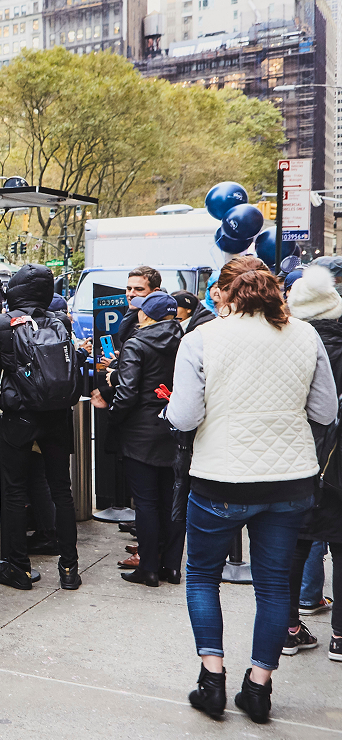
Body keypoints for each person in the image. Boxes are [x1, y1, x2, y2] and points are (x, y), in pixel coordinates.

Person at [166, 256, 338, 723]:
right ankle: (258, 687)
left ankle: (212, 679)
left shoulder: (201, 338)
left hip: (221, 477)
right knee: (273, 583)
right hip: (289, 479)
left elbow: (183, 417)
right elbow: (325, 411)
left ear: (226, 292)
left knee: (202, 575)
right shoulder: (305, 334)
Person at [0, 264, 84, 591]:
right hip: (57, 415)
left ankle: (19, 568)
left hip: (20, 416)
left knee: (14, 489)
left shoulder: (1, 324)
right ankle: (69, 568)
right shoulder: (61, 321)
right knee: (61, 491)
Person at [102, 292, 185, 587]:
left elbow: (127, 394)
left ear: (146, 316)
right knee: (172, 502)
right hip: (174, 428)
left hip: (141, 432)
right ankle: (172, 567)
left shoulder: (137, 343)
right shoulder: (184, 340)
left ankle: (148, 567)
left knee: (147, 503)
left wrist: (114, 418)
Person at [283, 265, 342, 659]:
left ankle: (287, 627)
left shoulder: (284, 344)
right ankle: (340, 635)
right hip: (336, 462)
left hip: (292, 460)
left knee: (291, 546)